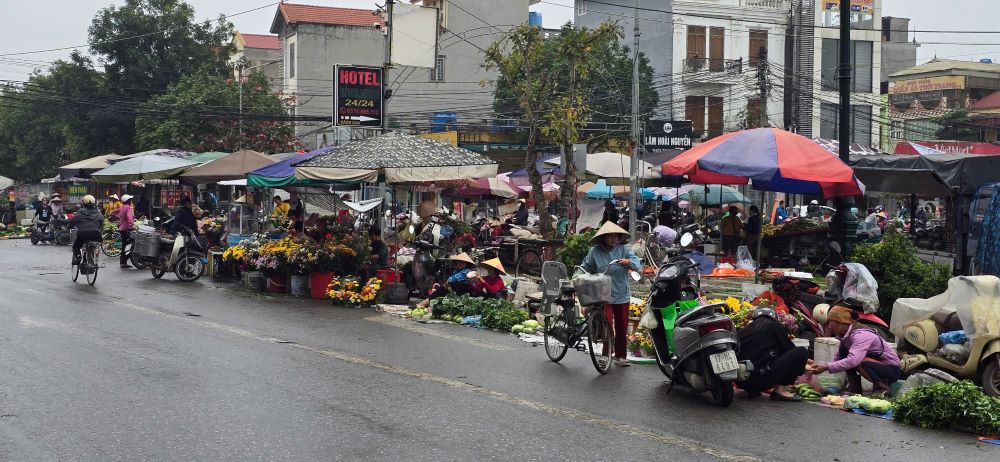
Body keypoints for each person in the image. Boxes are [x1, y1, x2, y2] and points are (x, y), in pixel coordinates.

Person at [580, 221, 642, 367]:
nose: (614, 239)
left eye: (616, 236)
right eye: (610, 237)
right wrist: (577, 277)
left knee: (622, 326)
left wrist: (628, 262)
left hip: (621, 294)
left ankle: (620, 356)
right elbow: (585, 267)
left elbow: (637, 264)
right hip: (602, 295)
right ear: (603, 238)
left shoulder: (624, 250)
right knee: (606, 324)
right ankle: (606, 354)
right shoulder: (594, 252)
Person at [807, 306, 901, 394]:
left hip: (891, 369)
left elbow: (853, 361)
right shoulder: (844, 337)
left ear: (841, 322)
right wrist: (821, 365)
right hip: (875, 363)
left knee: (858, 361)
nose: (830, 327)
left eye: (831, 323)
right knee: (844, 351)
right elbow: (839, 360)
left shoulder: (861, 335)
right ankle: (854, 387)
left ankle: (883, 387)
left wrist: (826, 368)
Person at [736, 308, 809, 401]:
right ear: (775, 319)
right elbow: (790, 350)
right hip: (763, 379)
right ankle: (780, 391)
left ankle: (752, 391)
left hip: (742, 381)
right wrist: (805, 363)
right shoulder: (773, 326)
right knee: (802, 352)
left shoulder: (741, 331)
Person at [68, 195, 104, 265]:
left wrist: (69, 227)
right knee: (95, 244)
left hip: (83, 234)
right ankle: (93, 260)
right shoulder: (99, 213)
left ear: (83, 203)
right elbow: (101, 224)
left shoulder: (79, 213)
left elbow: (72, 222)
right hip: (96, 235)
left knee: (76, 246)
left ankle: (78, 257)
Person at [118, 194, 135, 269]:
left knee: (124, 245)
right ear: (128, 201)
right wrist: (132, 224)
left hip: (122, 229)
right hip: (127, 229)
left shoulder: (122, 207)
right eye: (130, 200)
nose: (131, 201)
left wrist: (120, 219)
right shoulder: (129, 208)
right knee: (129, 246)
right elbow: (129, 217)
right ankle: (124, 262)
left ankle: (122, 262)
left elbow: (114, 212)